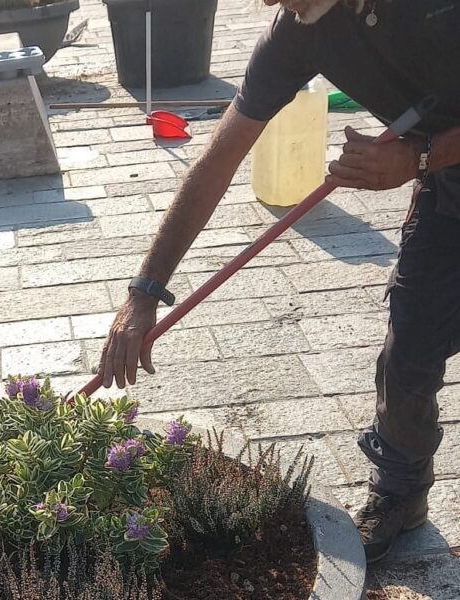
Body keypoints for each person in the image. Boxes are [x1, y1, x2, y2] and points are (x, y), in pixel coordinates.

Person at [98, 0, 460, 563]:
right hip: (449, 198)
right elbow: (217, 160)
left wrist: (421, 155)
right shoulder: (296, 32)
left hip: (437, 164)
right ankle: (401, 493)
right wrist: (144, 292)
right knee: (409, 356)